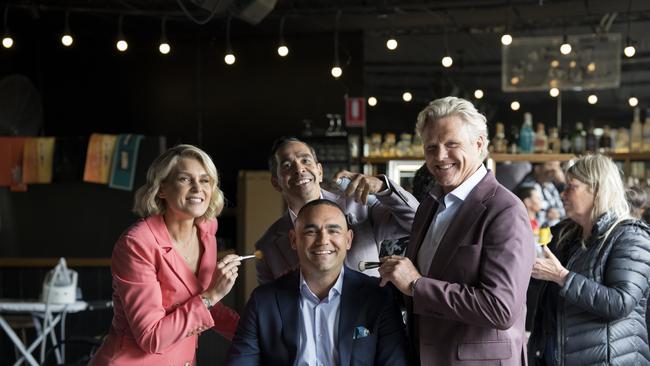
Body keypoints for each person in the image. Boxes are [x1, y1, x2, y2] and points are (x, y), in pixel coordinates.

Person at [378, 96, 535, 365]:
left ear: (479, 144)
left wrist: (417, 285)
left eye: (452, 144)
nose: (440, 157)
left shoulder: (505, 209)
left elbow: (501, 309)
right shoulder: (429, 204)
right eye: (431, 147)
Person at [90, 145, 242, 366]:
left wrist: (257, 336)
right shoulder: (137, 244)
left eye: (205, 180)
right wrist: (211, 295)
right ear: (162, 189)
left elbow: (206, 304)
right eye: (184, 179)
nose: (197, 188)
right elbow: (151, 336)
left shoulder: (207, 229)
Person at [226, 199, 409, 365]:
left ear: (348, 240)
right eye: (311, 231)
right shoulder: (263, 301)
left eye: (333, 230)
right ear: (293, 240)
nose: (323, 240)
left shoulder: (378, 296)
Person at [528, 154, 650, 366]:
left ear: (597, 189)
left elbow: (620, 303)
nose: (562, 194)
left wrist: (562, 277)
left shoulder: (631, 237)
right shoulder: (566, 235)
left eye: (571, 187)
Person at [255, 137, 418, 283]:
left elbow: (416, 223)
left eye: (305, 160)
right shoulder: (267, 247)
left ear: (319, 171)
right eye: (287, 165)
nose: (299, 169)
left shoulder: (361, 206)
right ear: (276, 182)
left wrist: (383, 187)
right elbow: (271, 310)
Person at [516, 161, 566, 227]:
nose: (554, 170)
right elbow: (535, 216)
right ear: (537, 169)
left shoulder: (549, 184)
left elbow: (565, 208)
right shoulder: (528, 187)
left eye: (557, 166)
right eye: (550, 165)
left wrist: (562, 183)